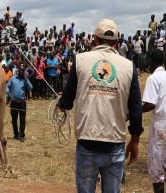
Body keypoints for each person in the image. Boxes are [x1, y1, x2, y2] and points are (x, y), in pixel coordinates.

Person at [57, 18, 143, 193]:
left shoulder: (80, 60)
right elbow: (136, 109)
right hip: (115, 145)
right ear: (117, 42)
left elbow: (66, 101)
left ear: (94, 39)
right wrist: (134, 141)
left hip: (87, 144)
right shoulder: (129, 67)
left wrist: (62, 105)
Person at [142, 49, 166, 193]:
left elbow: (150, 104)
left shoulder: (153, 78)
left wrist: (133, 112)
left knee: (157, 172)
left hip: (160, 127)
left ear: (152, 61)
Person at [6, 63, 33, 142]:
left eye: (23, 70)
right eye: (20, 70)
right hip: (13, 102)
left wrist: (26, 78)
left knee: (22, 119)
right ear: (17, 70)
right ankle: (16, 134)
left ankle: (22, 135)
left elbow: (30, 87)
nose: (21, 71)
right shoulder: (13, 79)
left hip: (22, 103)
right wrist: (8, 94)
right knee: (14, 119)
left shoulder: (25, 79)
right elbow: (7, 87)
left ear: (24, 71)